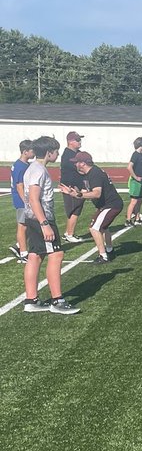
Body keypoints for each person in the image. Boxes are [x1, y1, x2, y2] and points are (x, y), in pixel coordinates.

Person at [21, 135, 80, 314]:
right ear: (48, 153)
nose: (58, 154)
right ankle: (57, 300)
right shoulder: (39, 170)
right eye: (56, 151)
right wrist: (45, 223)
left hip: (33, 218)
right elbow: (33, 198)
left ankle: (31, 299)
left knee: (35, 256)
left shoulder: (33, 168)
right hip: (41, 219)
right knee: (56, 254)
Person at [64, 152, 124, 263]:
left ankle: (103, 256)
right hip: (108, 204)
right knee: (104, 227)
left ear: (83, 163)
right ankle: (110, 250)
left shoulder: (94, 173)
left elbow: (97, 193)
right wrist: (75, 192)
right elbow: (89, 190)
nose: (75, 165)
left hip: (111, 205)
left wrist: (79, 195)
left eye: (77, 162)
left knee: (94, 228)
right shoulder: (91, 172)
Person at [9, 139, 33, 263]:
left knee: (28, 224)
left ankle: (18, 246)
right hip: (21, 200)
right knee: (22, 226)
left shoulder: (24, 165)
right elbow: (19, 185)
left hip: (23, 199)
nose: (33, 153)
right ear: (25, 152)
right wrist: (26, 200)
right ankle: (23, 253)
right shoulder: (20, 166)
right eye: (32, 151)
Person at [60, 130, 87, 243]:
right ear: (70, 141)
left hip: (76, 185)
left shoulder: (77, 153)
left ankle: (68, 232)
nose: (80, 142)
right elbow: (77, 170)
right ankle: (70, 234)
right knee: (74, 210)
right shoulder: (68, 155)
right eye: (77, 140)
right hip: (71, 187)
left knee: (76, 209)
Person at [125, 137, 142, 225]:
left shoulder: (141, 155)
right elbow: (129, 167)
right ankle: (128, 220)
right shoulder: (135, 154)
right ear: (141, 144)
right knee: (134, 201)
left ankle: (137, 218)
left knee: (139, 200)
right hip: (136, 181)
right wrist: (135, 177)